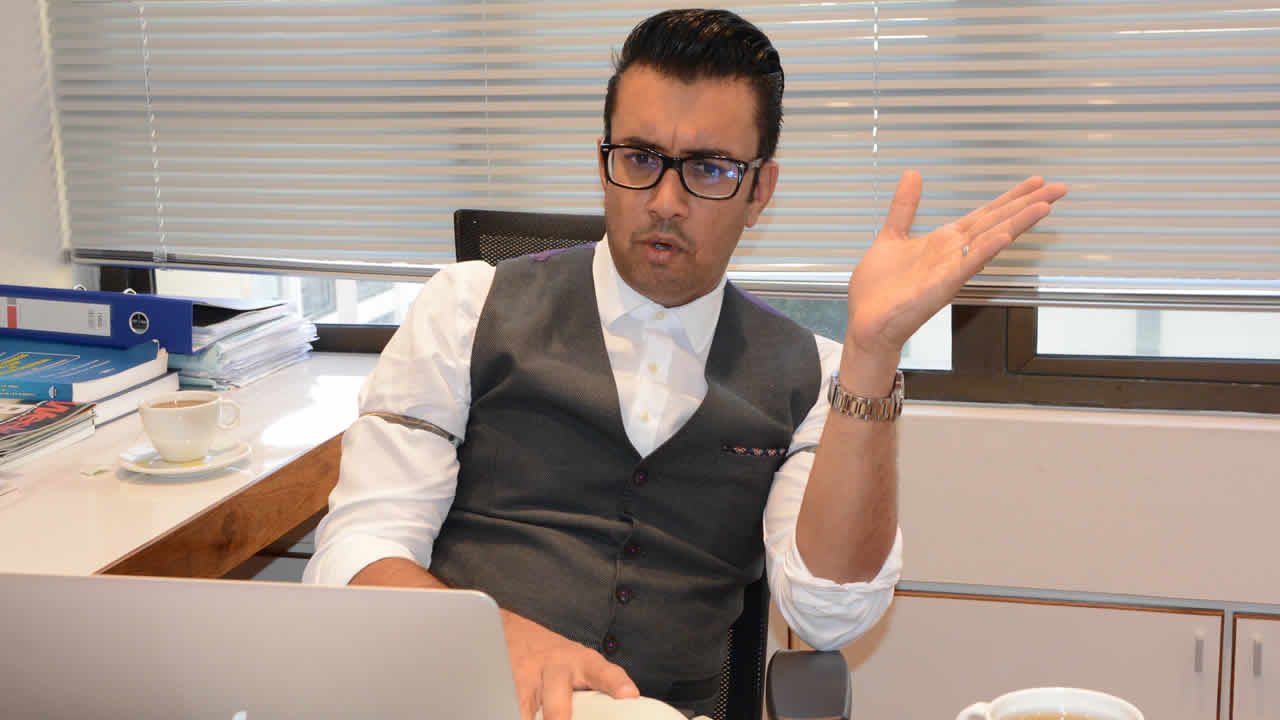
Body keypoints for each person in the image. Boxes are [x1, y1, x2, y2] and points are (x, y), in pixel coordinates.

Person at [303, 8, 1066, 720]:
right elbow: (357, 553)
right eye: (640, 158)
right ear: (603, 162)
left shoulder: (813, 376)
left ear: (759, 190)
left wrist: (874, 354)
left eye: (708, 168)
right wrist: (499, 639)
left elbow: (830, 614)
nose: (666, 200)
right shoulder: (466, 308)